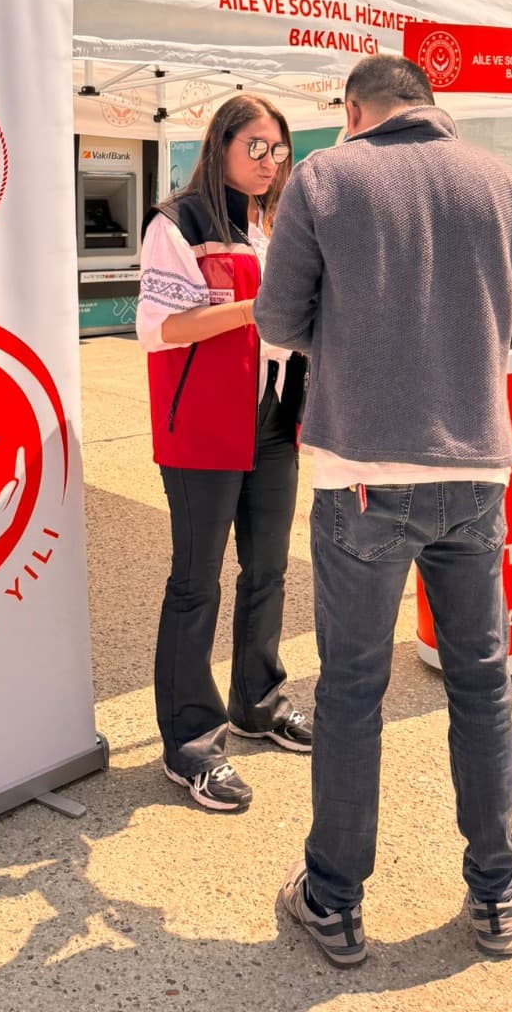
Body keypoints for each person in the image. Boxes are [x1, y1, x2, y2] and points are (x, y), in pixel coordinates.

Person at [254, 55, 512, 967]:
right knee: (481, 684)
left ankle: (336, 900)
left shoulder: (325, 177)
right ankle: (496, 891)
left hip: (361, 472)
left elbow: (277, 322)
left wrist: (361, 328)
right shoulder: (509, 184)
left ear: (354, 109)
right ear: (429, 102)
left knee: (351, 691)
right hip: (476, 470)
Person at [136, 94, 311, 814]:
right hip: (203, 425)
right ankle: (190, 743)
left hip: (274, 419)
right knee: (196, 583)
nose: (269, 163)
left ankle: (257, 702)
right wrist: (257, 306)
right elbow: (161, 328)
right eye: (257, 148)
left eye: (278, 151)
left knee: (267, 569)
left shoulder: (275, 224)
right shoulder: (176, 223)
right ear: (221, 145)